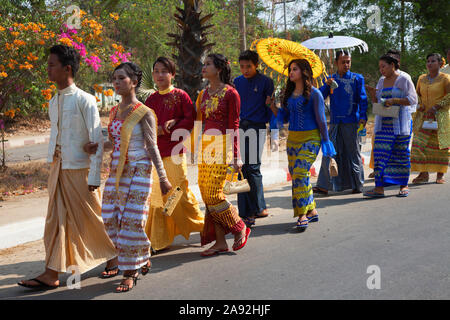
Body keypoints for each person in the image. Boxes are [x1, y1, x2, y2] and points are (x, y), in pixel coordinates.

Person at [18, 45, 117, 290]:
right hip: (58, 167)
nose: (48, 69)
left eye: (52, 65)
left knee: (92, 218)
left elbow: (95, 141)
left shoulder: (85, 100)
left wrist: (95, 175)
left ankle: (114, 257)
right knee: (54, 220)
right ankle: (51, 273)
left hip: (81, 170)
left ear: (67, 68)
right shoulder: (54, 101)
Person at [100, 62, 172, 292]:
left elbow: (152, 146)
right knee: (111, 219)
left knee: (132, 222)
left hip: (140, 172)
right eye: (114, 78)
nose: (116, 82)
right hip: (116, 173)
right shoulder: (114, 111)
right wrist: (98, 147)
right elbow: (114, 142)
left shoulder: (144, 112)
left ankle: (130, 272)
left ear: (133, 81)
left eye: (121, 78)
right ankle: (143, 255)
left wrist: (163, 178)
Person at [144, 57, 204, 252]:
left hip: (176, 153)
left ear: (172, 74)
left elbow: (190, 119)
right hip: (156, 154)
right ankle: (160, 238)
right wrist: (158, 129)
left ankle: (201, 224)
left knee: (179, 192)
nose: (160, 75)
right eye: (157, 71)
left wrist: (174, 124)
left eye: (164, 71)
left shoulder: (181, 96)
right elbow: (145, 125)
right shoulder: (150, 99)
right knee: (158, 197)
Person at [270, 59, 336, 231]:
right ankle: (312, 210)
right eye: (290, 70)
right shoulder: (288, 95)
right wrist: (272, 106)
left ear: (304, 72)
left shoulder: (315, 94)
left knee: (299, 173)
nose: (291, 72)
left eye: (295, 69)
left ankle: (301, 214)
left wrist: (326, 141)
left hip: (311, 139)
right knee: (299, 176)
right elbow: (284, 118)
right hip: (293, 141)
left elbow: (322, 120)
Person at [196, 53, 250, 256]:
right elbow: (198, 122)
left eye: (208, 64)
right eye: (204, 64)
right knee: (206, 195)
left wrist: (236, 156)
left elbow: (233, 126)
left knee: (213, 193)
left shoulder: (231, 93)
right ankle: (219, 242)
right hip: (206, 148)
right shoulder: (204, 94)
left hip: (223, 148)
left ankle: (239, 226)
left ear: (219, 68)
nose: (204, 67)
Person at [314, 50, 368, 195]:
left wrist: (363, 116)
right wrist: (326, 85)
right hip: (335, 122)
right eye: (343, 62)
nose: (346, 64)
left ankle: (358, 184)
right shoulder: (331, 79)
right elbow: (319, 96)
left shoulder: (357, 78)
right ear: (336, 62)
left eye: (348, 61)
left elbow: (363, 99)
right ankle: (323, 186)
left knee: (353, 153)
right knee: (329, 152)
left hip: (351, 121)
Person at [364, 54, 418, 198]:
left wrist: (394, 100)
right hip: (383, 125)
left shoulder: (403, 79)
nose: (381, 70)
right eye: (380, 67)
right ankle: (379, 188)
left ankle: (403, 186)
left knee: (400, 154)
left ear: (392, 65)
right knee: (380, 154)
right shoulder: (381, 81)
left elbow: (413, 99)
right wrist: (372, 95)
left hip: (400, 125)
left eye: (384, 66)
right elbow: (378, 103)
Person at [233, 50, 274, 227]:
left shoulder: (266, 82)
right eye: (242, 66)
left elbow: (271, 109)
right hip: (240, 128)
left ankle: (260, 207)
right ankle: (245, 211)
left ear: (256, 65)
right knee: (241, 169)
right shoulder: (237, 82)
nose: (245, 70)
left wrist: (275, 132)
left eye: (248, 66)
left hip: (257, 128)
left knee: (253, 167)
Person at [411, 53, 450, 184]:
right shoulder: (422, 78)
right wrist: (420, 105)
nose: (429, 63)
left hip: (440, 117)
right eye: (428, 61)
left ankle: (440, 175)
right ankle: (423, 174)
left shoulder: (446, 78)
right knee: (418, 144)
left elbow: (449, 96)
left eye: (433, 61)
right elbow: (416, 95)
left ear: (440, 64)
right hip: (424, 117)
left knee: (441, 147)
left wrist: (436, 107)